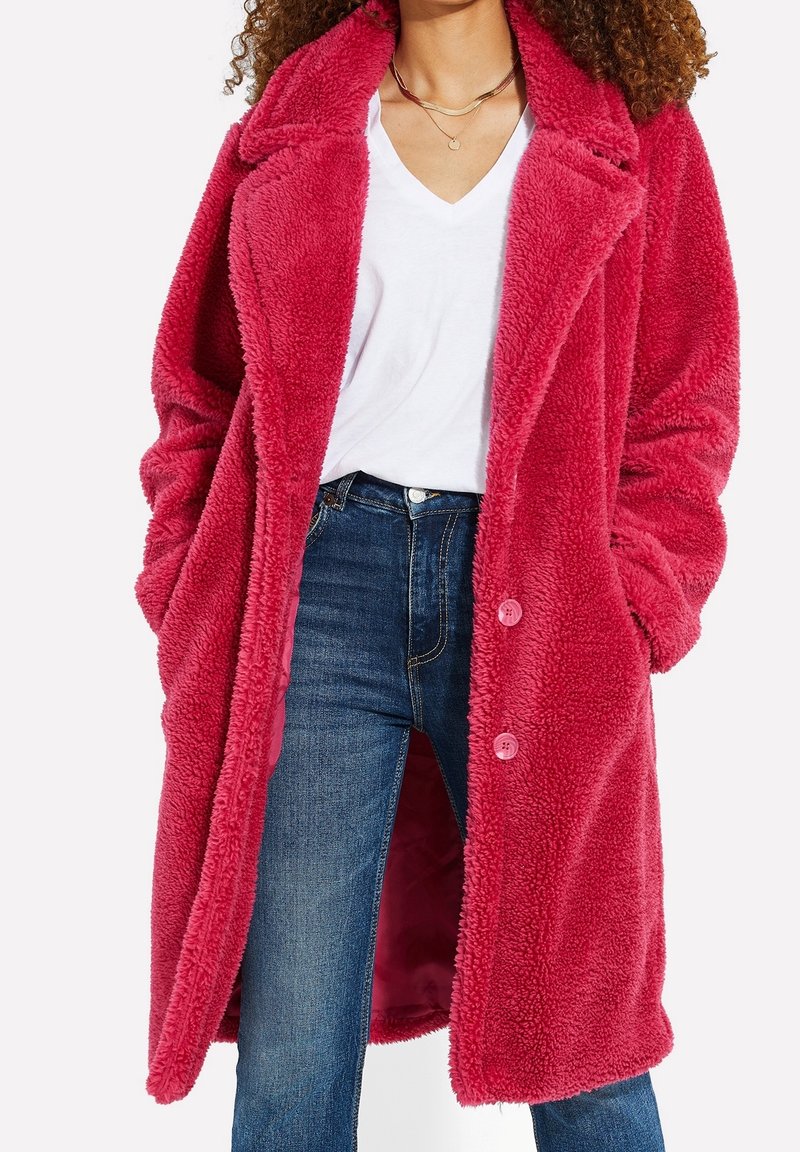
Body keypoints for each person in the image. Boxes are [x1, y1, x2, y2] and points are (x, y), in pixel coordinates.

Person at [134, 0, 740, 1148]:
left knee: (583, 1031)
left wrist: (637, 595)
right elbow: (197, 385)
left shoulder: (629, 128)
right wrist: (186, 584)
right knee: (292, 1042)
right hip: (317, 594)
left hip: (547, 593)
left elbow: (685, 395)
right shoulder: (293, 123)